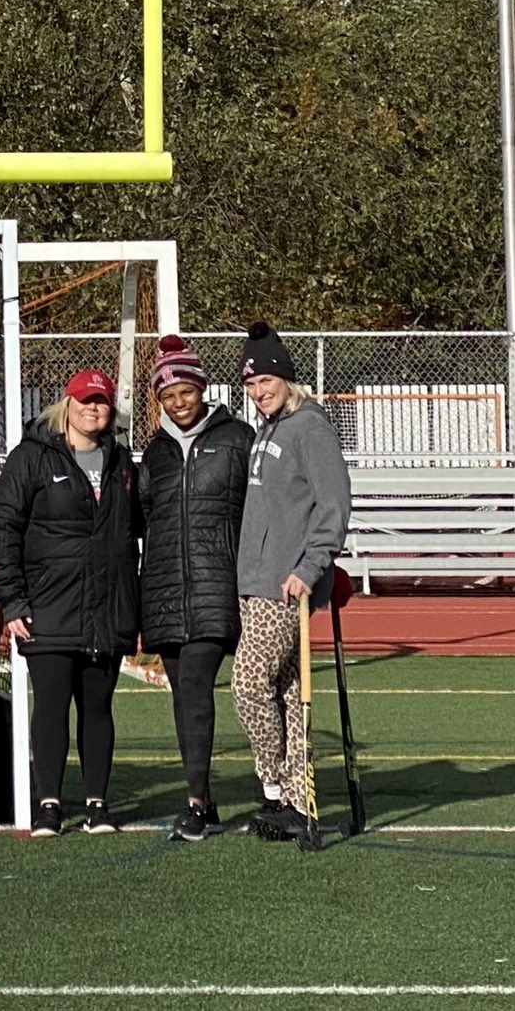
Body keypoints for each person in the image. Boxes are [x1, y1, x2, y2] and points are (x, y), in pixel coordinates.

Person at [0, 370, 139, 837]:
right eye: (85, 401)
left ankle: (97, 803)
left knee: (98, 706)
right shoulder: (31, 457)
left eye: (102, 402)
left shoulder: (123, 463)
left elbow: (135, 529)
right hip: (49, 607)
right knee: (51, 705)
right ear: (67, 404)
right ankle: (49, 803)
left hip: (105, 607)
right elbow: (4, 530)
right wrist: (13, 601)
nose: (93, 409)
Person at [230, 322, 353, 841]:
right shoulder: (268, 428)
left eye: (266, 382)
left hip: (284, 584)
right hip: (252, 580)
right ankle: (298, 800)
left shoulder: (309, 429)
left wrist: (309, 568)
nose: (259, 393)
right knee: (282, 690)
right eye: (251, 385)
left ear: (286, 379)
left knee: (248, 684)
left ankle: (278, 784)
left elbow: (334, 505)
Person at [135, 335, 252, 842]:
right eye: (168, 395)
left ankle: (198, 801)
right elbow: (143, 517)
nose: (179, 402)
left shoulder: (237, 439)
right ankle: (202, 796)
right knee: (184, 695)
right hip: (164, 588)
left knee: (197, 689)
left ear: (202, 388)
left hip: (215, 582)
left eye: (186, 391)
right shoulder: (155, 454)